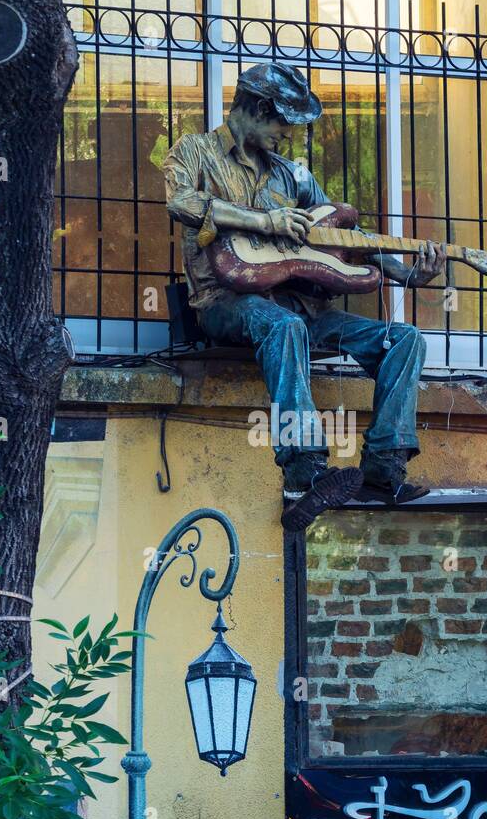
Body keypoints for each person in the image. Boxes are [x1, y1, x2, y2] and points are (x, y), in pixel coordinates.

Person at [163, 62, 445, 531]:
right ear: (255, 108)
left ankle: (384, 465)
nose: (288, 136)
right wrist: (263, 221)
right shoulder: (194, 151)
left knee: (406, 339)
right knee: (282, 325)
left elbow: (342, 235)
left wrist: (408, 273)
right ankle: (304, 469)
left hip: (302, 311)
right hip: (224, 305)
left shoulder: (293, 177)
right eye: (283, 123)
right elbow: (180, 202)